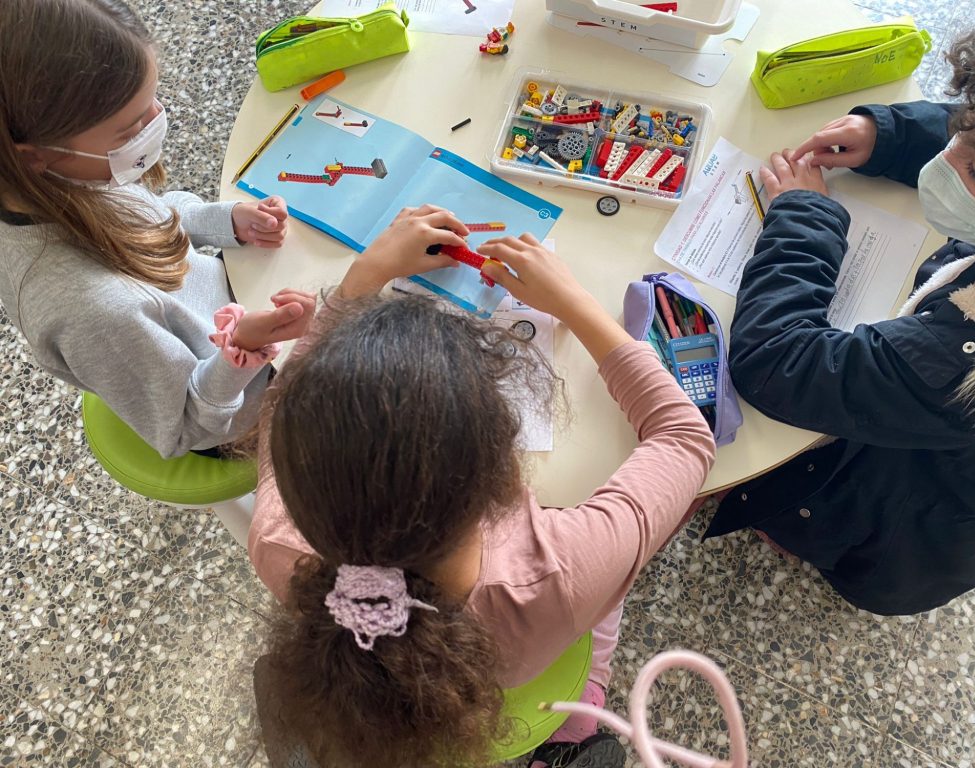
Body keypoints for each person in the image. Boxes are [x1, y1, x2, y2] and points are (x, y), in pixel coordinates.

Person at [246, 205, 716, 768]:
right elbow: (685, 436)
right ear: (504, 479)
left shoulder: (276, 540)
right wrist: (575, 302)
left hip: (408, 696)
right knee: (601, 609)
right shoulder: (554, 572)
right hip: (532, 654)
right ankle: (577, 722)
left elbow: (283, 410)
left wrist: (360, 281)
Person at [705, 23, 975, 615]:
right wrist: (891, 135)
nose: (948, 159)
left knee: (789, 474)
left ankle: (800, 536)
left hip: (902, 540)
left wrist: (804, 217)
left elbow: (779, 364)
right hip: (937, 456)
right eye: (960, 134)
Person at [0, 0, 314, 458]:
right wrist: (243, 347)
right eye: (129, 132)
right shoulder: (94, 310)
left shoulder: (56, 180)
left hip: (229, 317)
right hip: (237, 404)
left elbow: (155, 211)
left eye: (152, 101)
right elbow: (188, 428)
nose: (156, 122)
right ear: (35, 155)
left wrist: (223, 220)